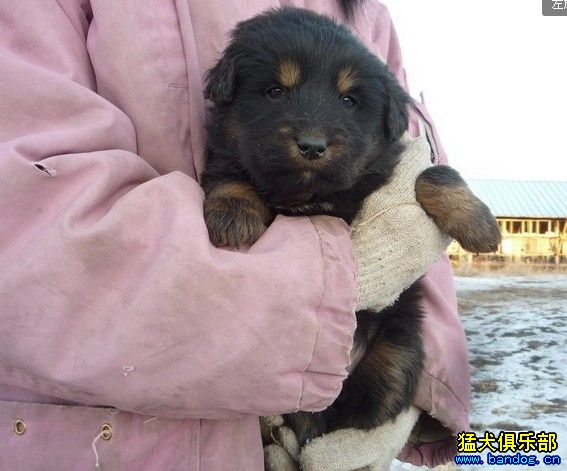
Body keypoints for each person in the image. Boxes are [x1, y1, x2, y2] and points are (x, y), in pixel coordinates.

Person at [0, 0, 469, 469]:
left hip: (361, 362)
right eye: (274, 92)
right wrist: (328, 279)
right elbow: (29, 213)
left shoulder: (368, 14)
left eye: (347, 101)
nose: (312, 135)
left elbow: (414, 201)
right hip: (111, 439)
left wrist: (422, 388)